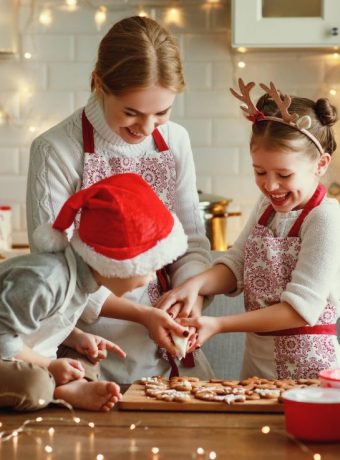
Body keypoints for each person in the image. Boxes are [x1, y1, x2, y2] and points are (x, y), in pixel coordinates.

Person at [26, 16, 213, 383]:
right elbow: (55, 271)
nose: (146, 128)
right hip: (85, 345)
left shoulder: (175, 141)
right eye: (131, 112)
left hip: (167, 340)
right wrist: (141, 315)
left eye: (162, 113)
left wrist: (191, 295)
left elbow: (192, 241)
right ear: (99, 82)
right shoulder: (56, 149)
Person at [157, 78, 340, 380]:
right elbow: (237, 264)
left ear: (320, 164)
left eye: (284, 174)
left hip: (310, 371)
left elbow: (299, 310)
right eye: (260, 171)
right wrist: (194, 285)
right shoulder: (265, 207)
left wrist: (219, 324)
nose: (270, 185)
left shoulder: (325, 219)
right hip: (257, 365)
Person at [1, 173, 188, 411]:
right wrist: (48, 365)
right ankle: (57, 388)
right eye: (148, 267)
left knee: (87, 358)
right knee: (34, 384)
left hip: (21, 353)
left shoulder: (82, 280)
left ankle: (66, 385)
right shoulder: (45, 279)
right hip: (5, 350)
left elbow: (41, 320)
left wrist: (75, 336)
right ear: (116, 262)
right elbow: (3, 339)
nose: (152, 276)